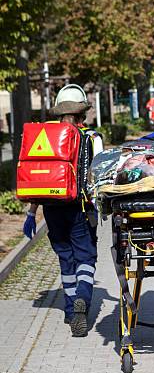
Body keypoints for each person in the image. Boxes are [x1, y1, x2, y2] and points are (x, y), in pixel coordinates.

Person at [23, 85, 103, 337]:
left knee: (65, 258)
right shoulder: (92, 137)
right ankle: (83, 299)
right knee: (86, 257)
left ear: (59, 113)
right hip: (81, 207)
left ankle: (70, 311)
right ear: (82, 114)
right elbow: (99, 175)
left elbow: (37, 174)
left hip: (51, 207)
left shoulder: (44, 136)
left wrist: (30, 213)